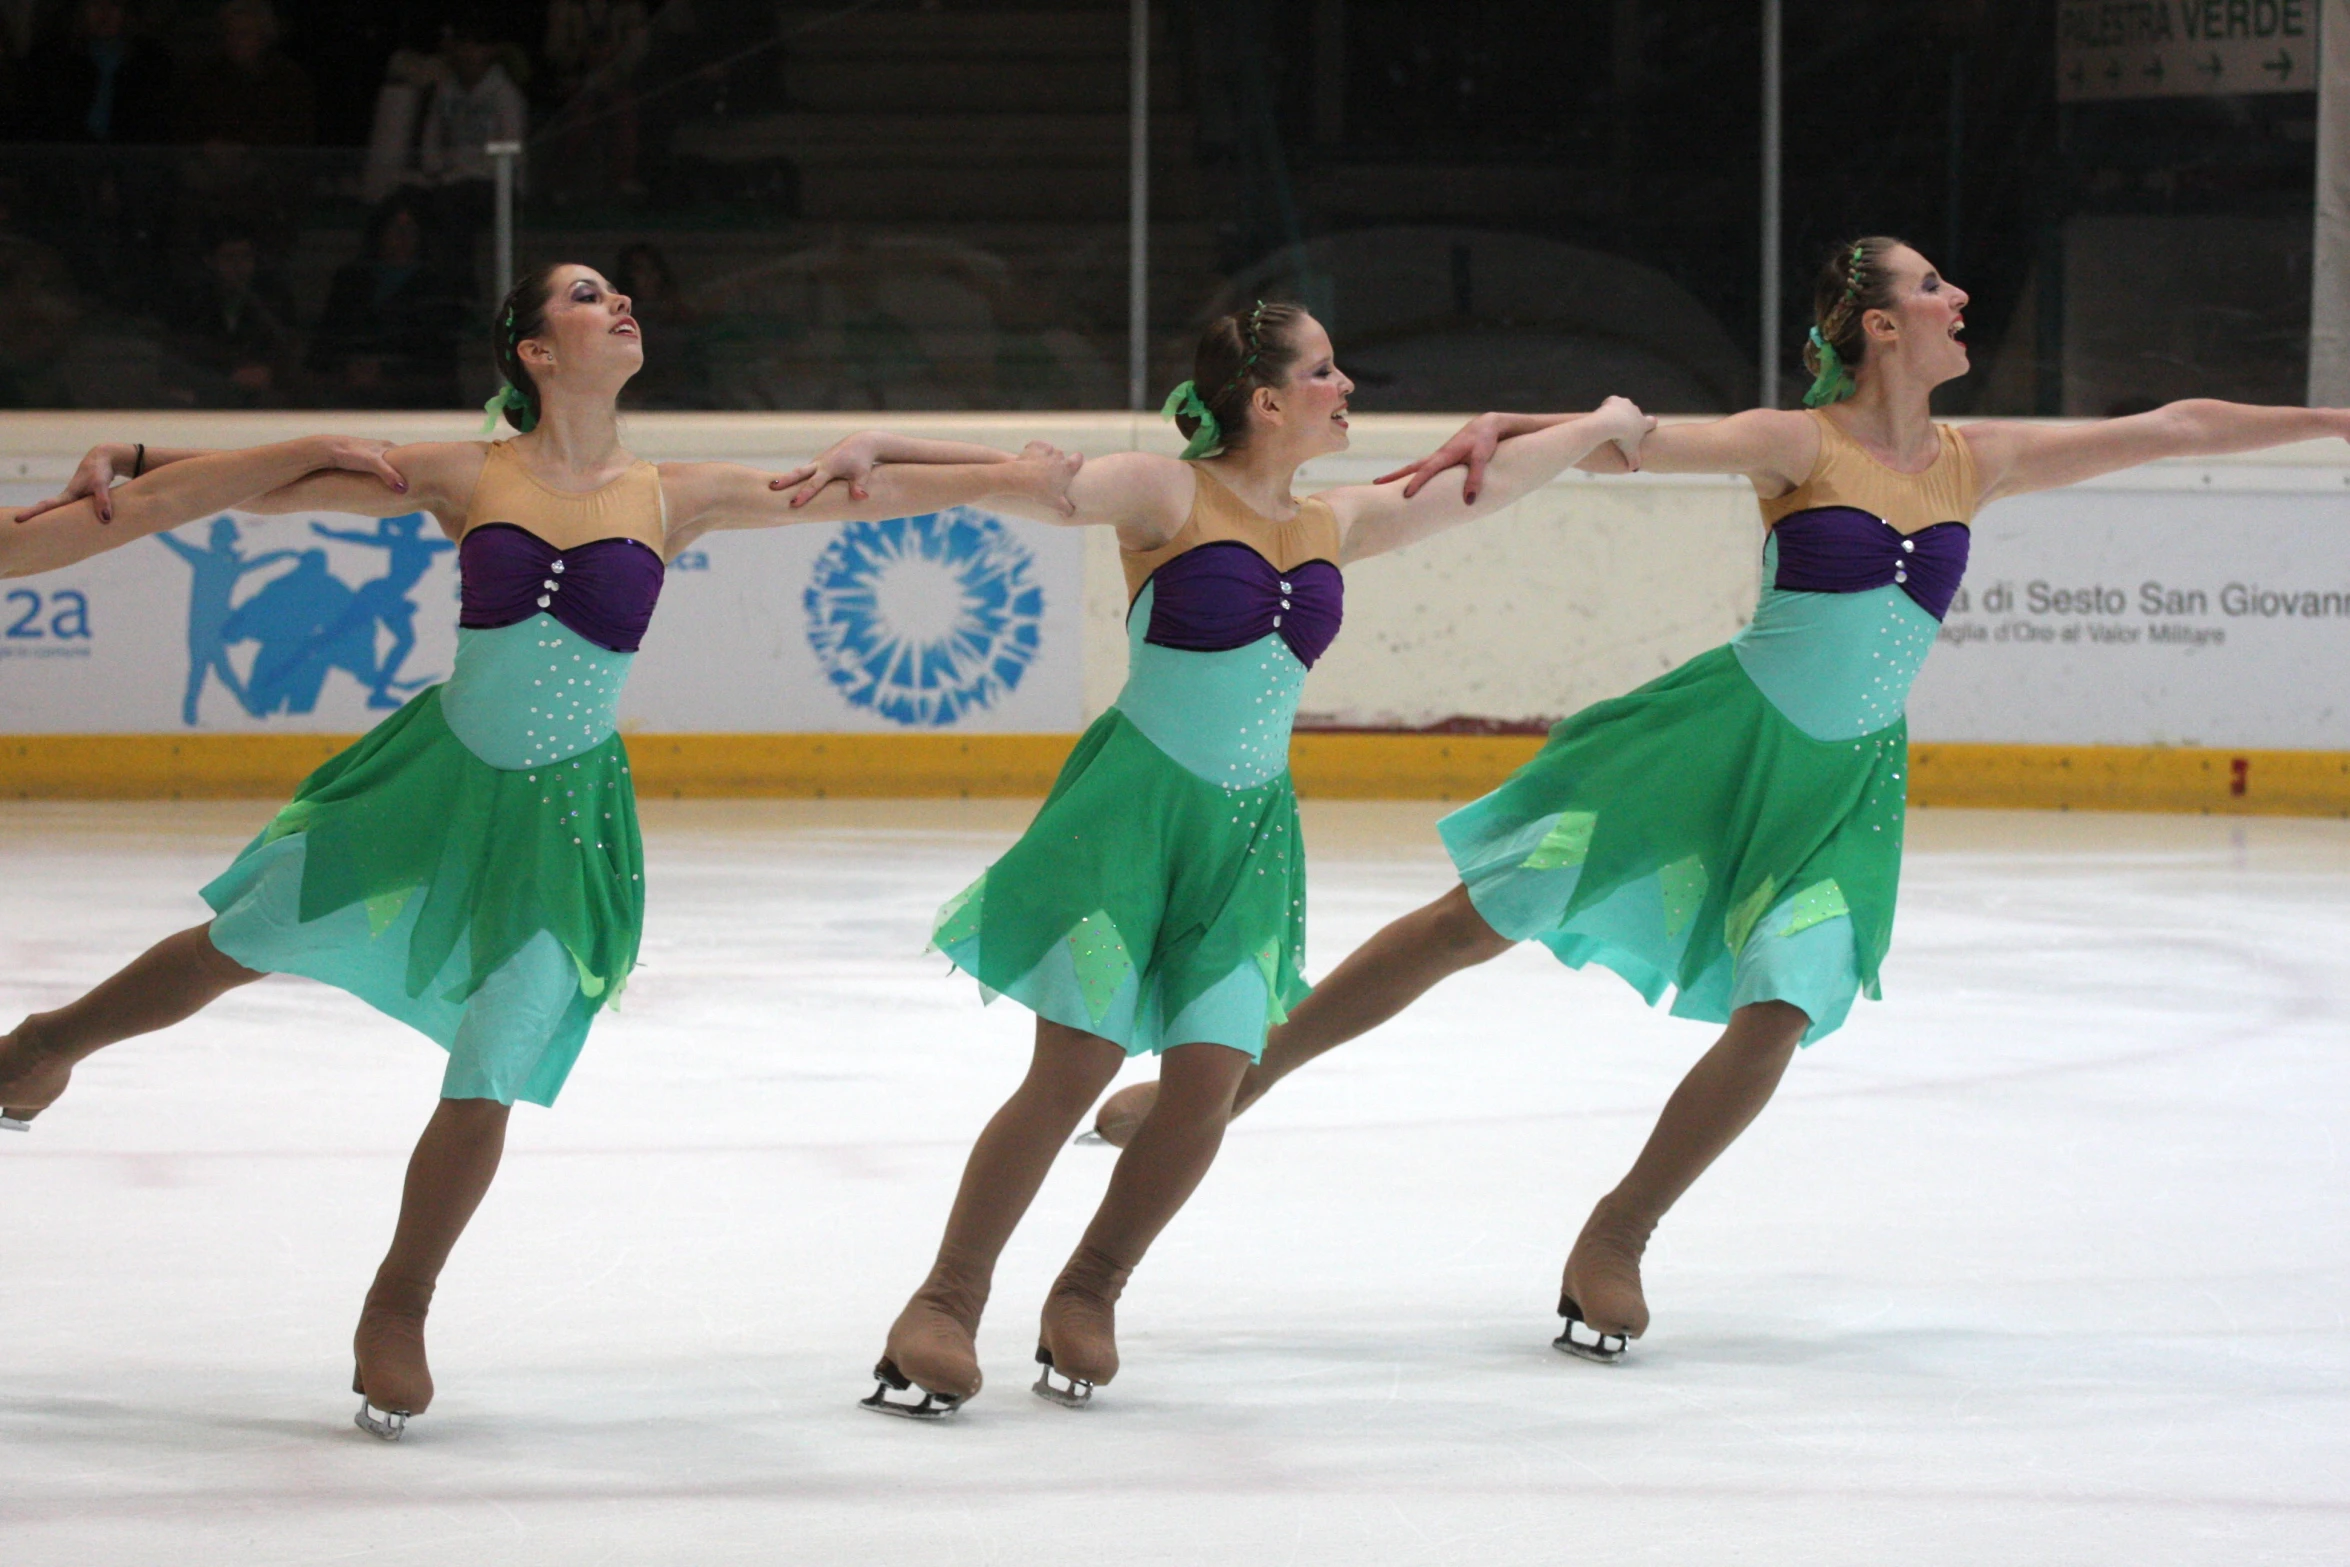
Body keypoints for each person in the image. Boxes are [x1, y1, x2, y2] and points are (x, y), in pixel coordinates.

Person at [1088, 236, 2350, 1362]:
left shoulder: (1981, 458)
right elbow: (1633, 435)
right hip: (1715, 742)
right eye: (1930, 285)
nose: (1959, 295)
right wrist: (1520, 418)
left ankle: (1618, 1232)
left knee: (1780, 1008)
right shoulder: (1799, 444)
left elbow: (2177, 427)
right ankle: (1236, 1084)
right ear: (1879, 327)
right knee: (1477, 920)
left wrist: (2332, 423)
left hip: (1844, 783)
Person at [1, 261, 1082, 1440]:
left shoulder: (681, 493)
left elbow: (861, 496)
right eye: (585, 296)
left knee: (495, 1056)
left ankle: (398, 1307)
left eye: (620, 293)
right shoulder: (472, 470)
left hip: (563, 820)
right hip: (434, 779)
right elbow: (269, 489)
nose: (619, 304)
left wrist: (1011, 477)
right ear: (534, 352)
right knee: (240, 941)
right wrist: (138, 459)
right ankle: (45, 1046)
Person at [795, 299, 1650, 1416]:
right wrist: (884, 449)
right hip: (1131, 815)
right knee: (1074, 1068)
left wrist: (1596, 422)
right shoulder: (1168, 494)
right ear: (1265, 399)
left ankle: (1090, 1290)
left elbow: (1477, 487)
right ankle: (944, 1304)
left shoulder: (1331, 519)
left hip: (1248, 833)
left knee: (1208, 1081)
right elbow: (1030, 483)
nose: (1348, 389)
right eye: (1327, 372)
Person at [308, 194, 464, 408]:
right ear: (379, 233)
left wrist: (388, 371)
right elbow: (331, 335)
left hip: (412, 391)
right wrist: (348, 366)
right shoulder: (352, 279)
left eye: (409, 230)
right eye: (395, 229)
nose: (402, 238)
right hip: (349, 385)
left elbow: (436, 350)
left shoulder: (436, 284)